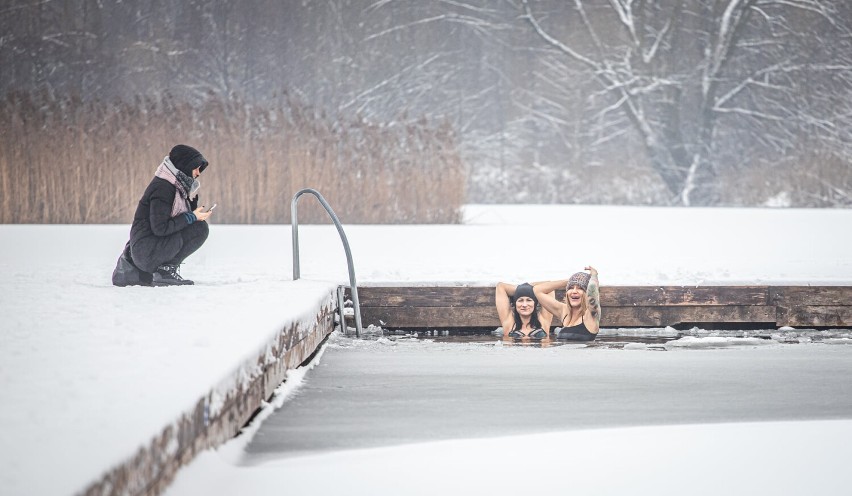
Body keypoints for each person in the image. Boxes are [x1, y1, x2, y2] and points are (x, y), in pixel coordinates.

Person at [112, 144, 213, 287]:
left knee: (199, 228)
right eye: (196, 168)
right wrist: (191, 217)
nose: (198, 173)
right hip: (145, 253)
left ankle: (165, 270)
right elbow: (160, 228)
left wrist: (193, 211)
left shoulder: (175, 186)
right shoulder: (163, 188)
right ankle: (164, 272)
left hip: (149, 249)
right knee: (198, 228)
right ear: (184, 166)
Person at [533, 267, 601, 341]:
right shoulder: (564, 312)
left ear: (586, 293)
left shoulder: (591, 316)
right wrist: (569, 281)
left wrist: (594, 276)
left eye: (580, 288)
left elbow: (592, 290)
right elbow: (537, 290)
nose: (574, 291)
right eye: (571, 288)